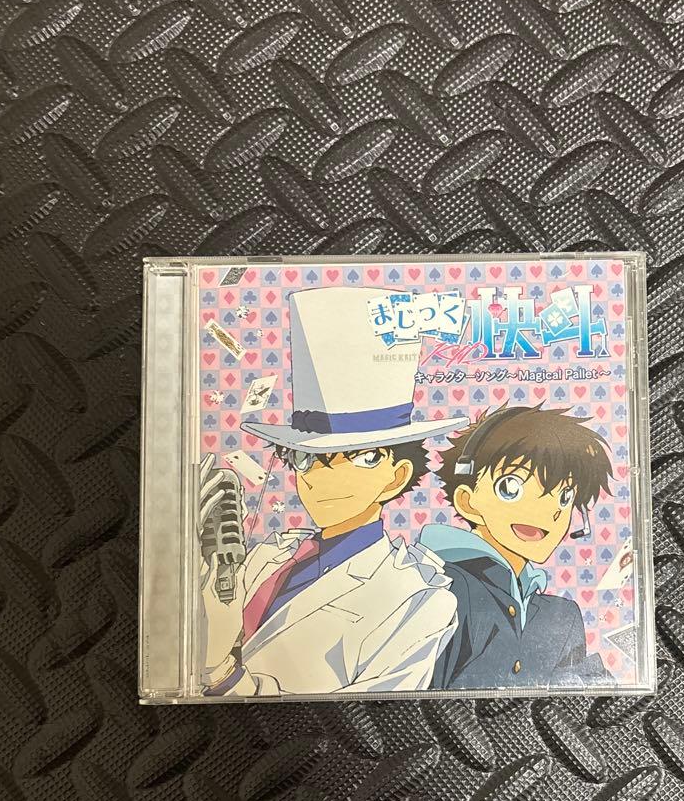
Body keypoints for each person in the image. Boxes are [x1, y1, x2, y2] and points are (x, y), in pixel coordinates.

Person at [198, 286, 465, 696]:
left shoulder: (418, 599)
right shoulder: (267, 556)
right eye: (306, 459)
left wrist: (220, 670)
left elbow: (358, 711)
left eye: (363, 459)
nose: (325, 479)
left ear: (397, 476)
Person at [419, 405, 614, 691]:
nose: (546, 511)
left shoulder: (560, 615)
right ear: (467, 501)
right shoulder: (439, 587)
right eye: (511, 488)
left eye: (564, 497)